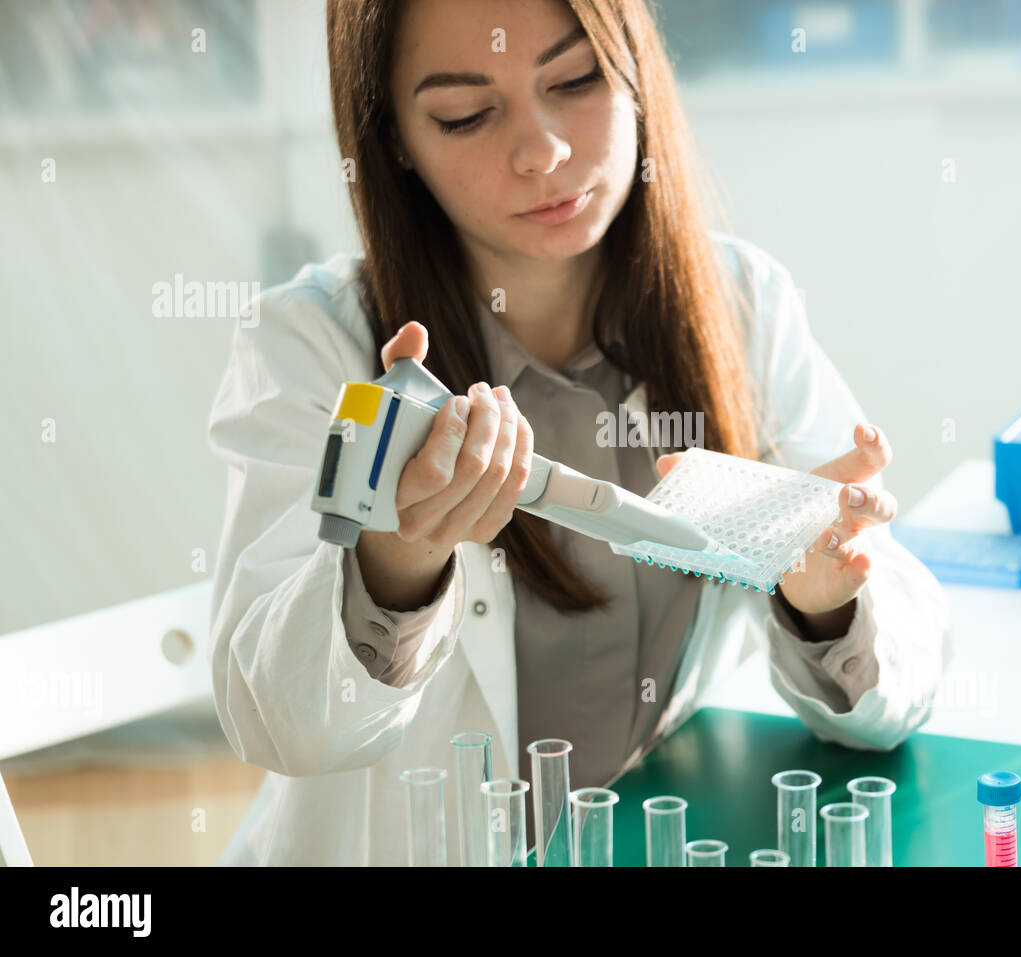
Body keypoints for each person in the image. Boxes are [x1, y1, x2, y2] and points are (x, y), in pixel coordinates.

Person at [206, 0, 952, 865]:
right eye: (467, 115)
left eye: (575, 79)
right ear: (396, 139)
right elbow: (278, 722)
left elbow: (903, 687)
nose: (544, 152)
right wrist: (396, 560)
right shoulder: (312, 348)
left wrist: (825, 602)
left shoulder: (741, 306)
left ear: (636, 67)